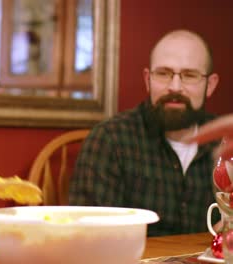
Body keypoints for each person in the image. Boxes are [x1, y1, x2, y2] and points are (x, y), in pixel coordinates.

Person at [69, 29, 220, 236]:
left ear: (210, 85)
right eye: (163, 73)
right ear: (148, 79)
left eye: (189, 75)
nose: (175, 87)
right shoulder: (110, 140)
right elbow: (89, 237)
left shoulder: (225, 141)